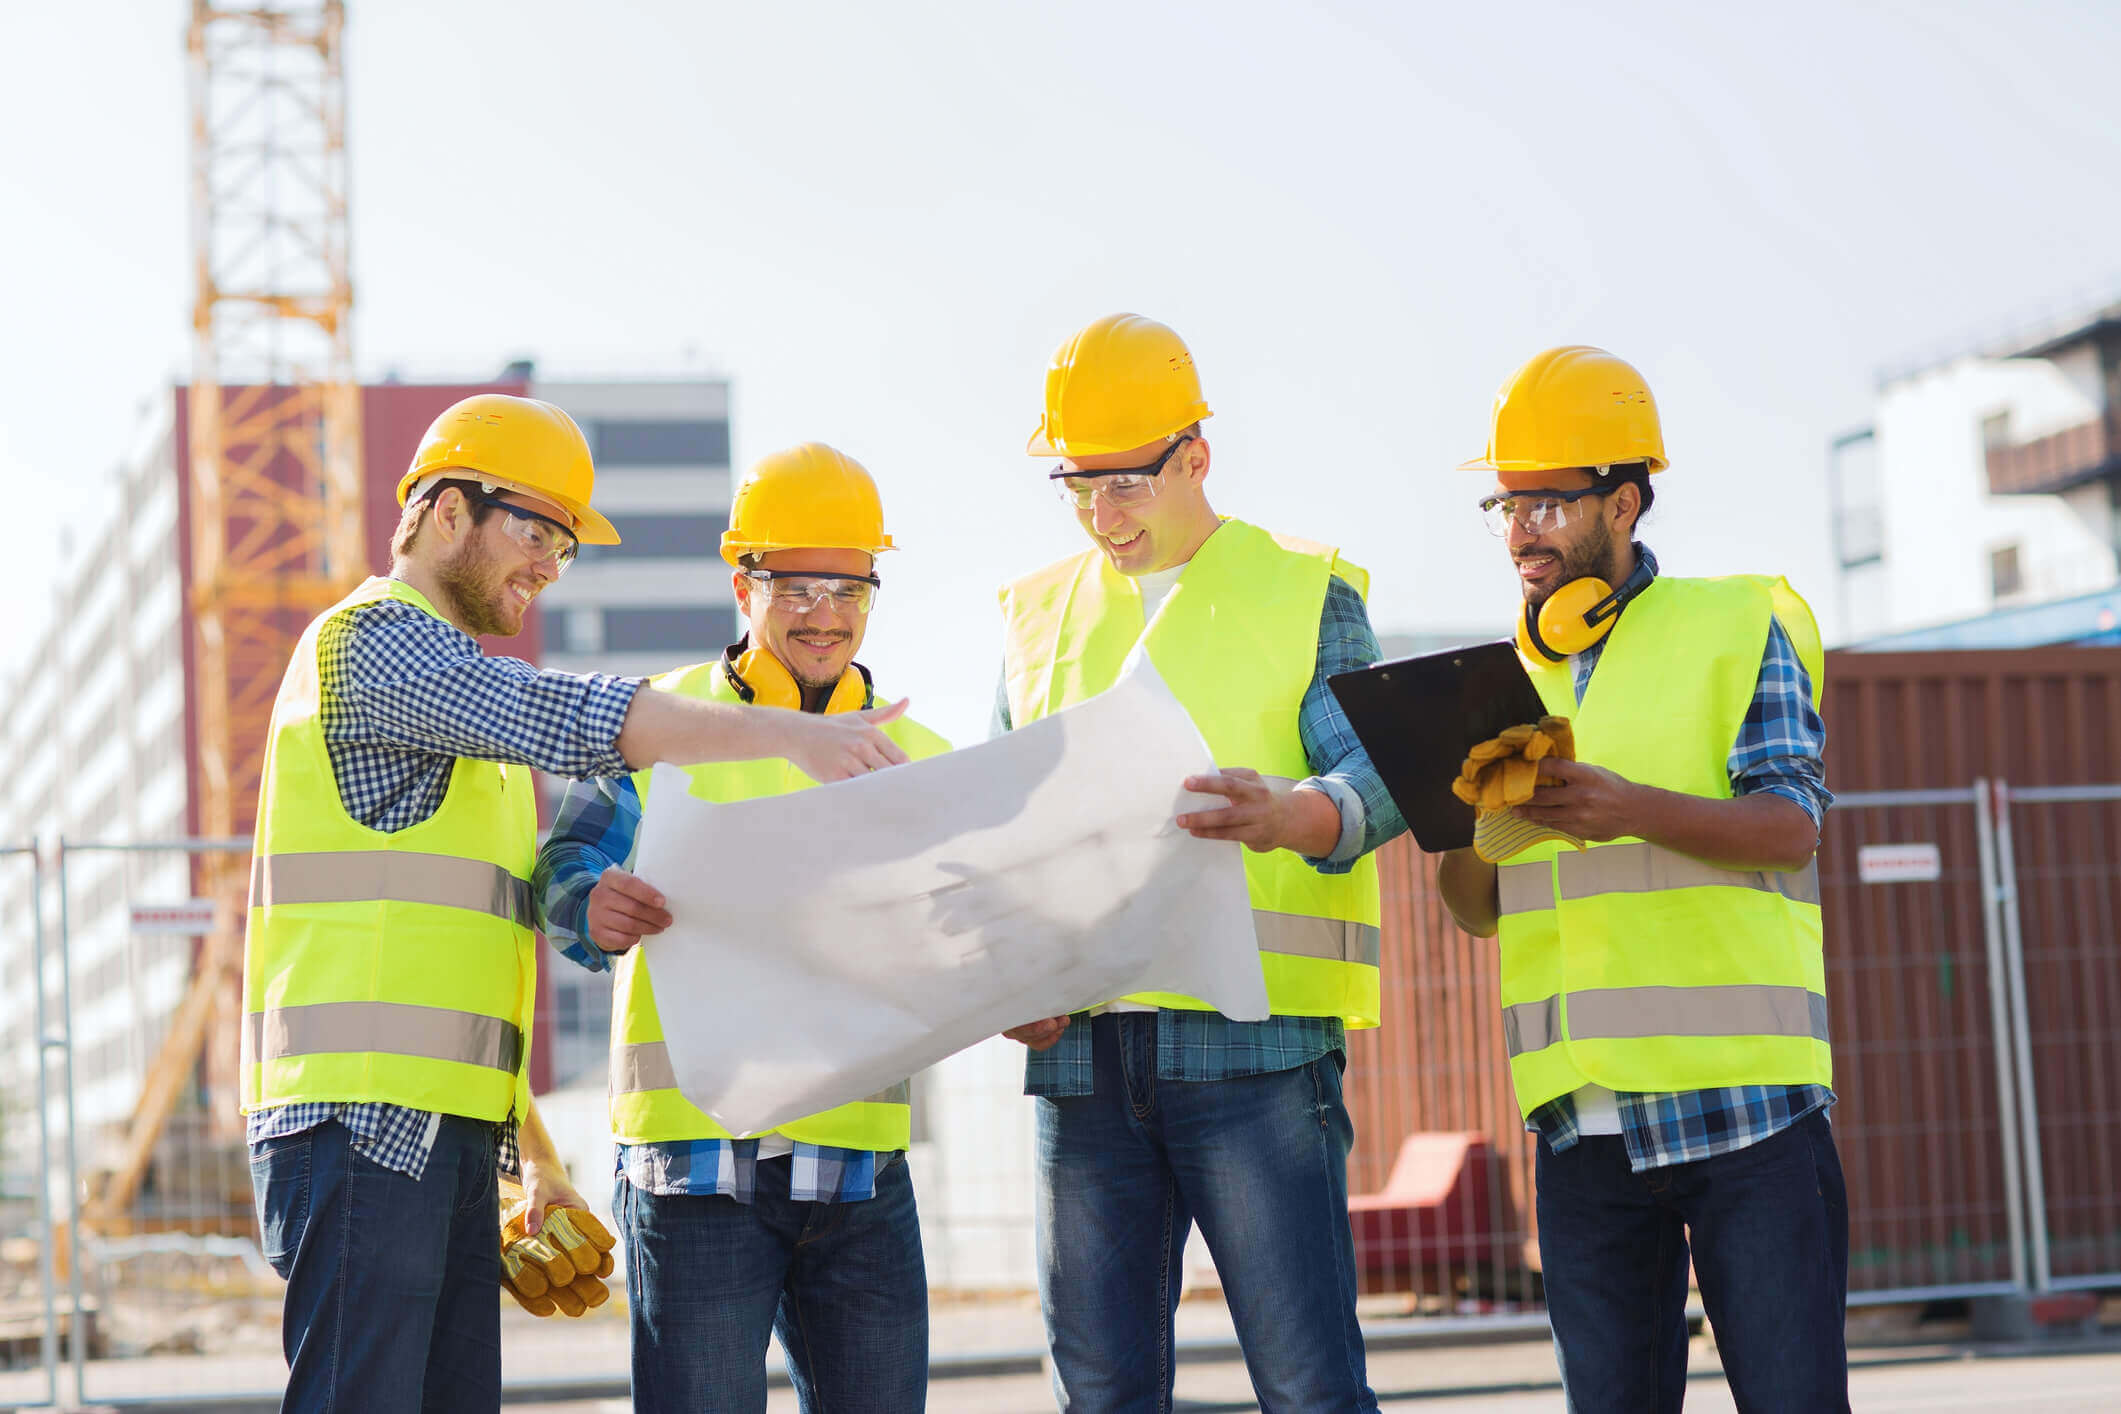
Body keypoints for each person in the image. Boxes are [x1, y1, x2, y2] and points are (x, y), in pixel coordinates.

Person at [242, 397, 910, 1413]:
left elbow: (469, 968)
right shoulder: (373, 646)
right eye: (536, 529)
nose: (550, 564)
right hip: (359, 1123)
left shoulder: (471, 732)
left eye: (565, 544)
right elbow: (564, 714)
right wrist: (788, 734)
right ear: (445, 511)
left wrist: (534, 1165)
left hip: (447, 1133)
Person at [996, 313, 1405, 1412]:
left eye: (1125, 481)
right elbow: (1003, 841)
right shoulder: (1036, 619)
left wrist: (1297, 812)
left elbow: (1384, 773)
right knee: (1102, 1397)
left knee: (1310, 1388)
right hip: (1080, 1068)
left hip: (1256, 1055)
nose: (1099, 512)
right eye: (1077, 483)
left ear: (1196, 458)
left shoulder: (1305, 590)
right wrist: (1009, 976)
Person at [1435, 346, 1848, 1414]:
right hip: (1582, 1130)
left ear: (1622, 502)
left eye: (1548, 504)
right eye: (1506, 505)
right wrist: (1472, 836)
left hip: (1745, 1112)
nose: (1523, 530)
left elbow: (1790, 826)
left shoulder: (1736, 624)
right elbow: (1471, 915)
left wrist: (1629, 812)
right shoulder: (1496, 678)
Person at [535, 443, 950, 1414]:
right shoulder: (662, 722)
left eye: (850, 588)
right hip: (694, 1165)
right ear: (742, 584)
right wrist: (590, 903)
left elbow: (973, 926)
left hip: (856, 1166)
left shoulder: (921, 756)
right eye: (796, 585)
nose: (825, 613)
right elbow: (566, 867)